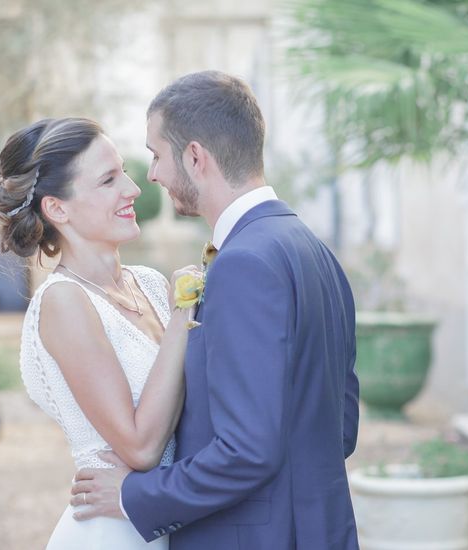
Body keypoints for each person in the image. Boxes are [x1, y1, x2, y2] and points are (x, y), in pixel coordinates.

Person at [70, 71, 361, 549]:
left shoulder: (243, 263)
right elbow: (339, 429)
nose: (154, 175)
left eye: (156, 155)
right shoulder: (313, 249)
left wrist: (132, 495)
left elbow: (247, 451)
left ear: (196, 157)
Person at [0, 117, 198, 549]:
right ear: (58, 209)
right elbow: (139, 448)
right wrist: (182, 314)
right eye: (108, 180)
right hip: (110, 534)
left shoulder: (153, 285)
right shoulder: (64, 302)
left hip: (162, 525)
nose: (133, 190)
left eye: (124, 173)